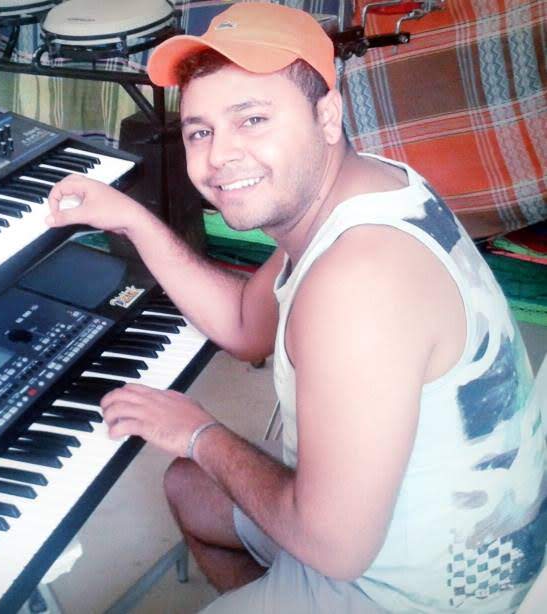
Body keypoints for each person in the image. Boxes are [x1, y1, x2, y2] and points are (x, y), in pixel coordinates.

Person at [45, 3, 547, 612]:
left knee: (200, 465)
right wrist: (131, 218)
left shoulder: (357, 284)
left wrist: (198, 432)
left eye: (253, 119)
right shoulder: (363, 185)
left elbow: (333, 547)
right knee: (190, 488)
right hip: (450, 534)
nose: (219, 156)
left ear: (327, 117)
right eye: (200, 131)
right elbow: (245, 326)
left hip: (421, 593)